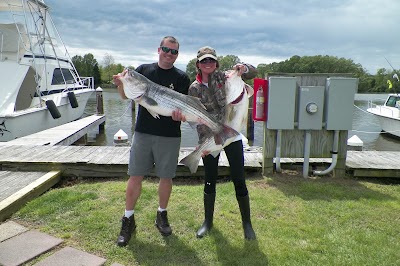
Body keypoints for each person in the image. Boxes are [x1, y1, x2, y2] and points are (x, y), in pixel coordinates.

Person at [113, 36, 190, 247]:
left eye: (173, 51)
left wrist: (182, 115)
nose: (169, 53)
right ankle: (128, 219)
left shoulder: (182, 78)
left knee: (166, 177)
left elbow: (184, 107)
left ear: (177, 54)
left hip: (170, 135)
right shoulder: (143, 71)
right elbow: (125, 96)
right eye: (166, 49)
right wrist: (121, 84)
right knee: (135, 175)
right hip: (143, 133)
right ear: (159, 49)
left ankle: (161, 215)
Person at [189, 46, 257, 240]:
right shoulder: (194, 87)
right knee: (209, 180)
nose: (208, 63)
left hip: (233, 135)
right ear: (198, 64)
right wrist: (203, 144)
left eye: (211, 60)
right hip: (212, 139)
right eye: (204, 61)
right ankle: (207, 222)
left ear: (216, 63)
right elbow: (196, 119)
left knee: (239, 179)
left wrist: (243, 67)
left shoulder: (226, 77)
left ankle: (247, 224)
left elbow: (252, 72)